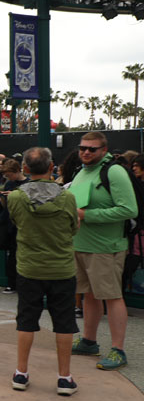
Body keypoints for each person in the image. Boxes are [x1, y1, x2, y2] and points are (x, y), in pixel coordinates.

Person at [6, 147, 80, 394]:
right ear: (52, 168)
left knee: (26, 321)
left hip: (29, 268)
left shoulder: (16, 197)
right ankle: (64, 378)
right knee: (64, 323)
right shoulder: (67, 198)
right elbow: (73, 228)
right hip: (61, 268)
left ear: (25, 168)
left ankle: (21, 373)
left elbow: (16, 223)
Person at [69, 131, 136, 371]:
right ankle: (89, 340)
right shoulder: (82, 171)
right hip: (81, 245)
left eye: (92, 149)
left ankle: (118, 349)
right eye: (82, 148)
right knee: (89, 294)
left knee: (112, 296)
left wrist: (87, 216)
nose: (86, 152)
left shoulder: (114, 171)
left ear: (104, 150)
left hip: (106, 248)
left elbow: (129, 209)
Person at [0, 158, 30, 294]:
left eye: (9, 175)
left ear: (17, 171)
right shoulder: (9, 184)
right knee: (11, 254)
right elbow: (5, 206)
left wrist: (15, 197)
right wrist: (2, 197)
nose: (8, 178)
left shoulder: (28, 184)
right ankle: (12, 282)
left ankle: (21, 283)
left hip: (22, 223)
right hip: (10, 223)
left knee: (21, 254)